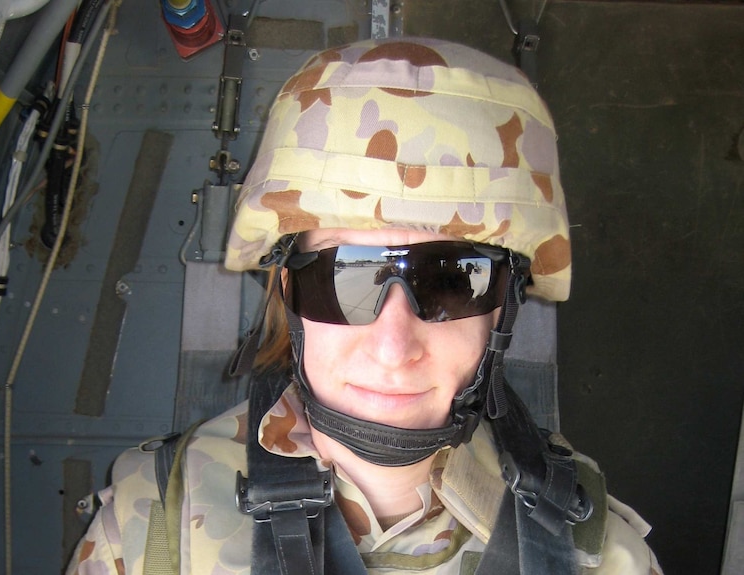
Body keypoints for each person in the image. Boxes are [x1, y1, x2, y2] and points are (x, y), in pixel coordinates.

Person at [67, 37, 662, 574]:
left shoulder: (599, 555)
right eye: (341, 275)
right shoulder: (151, 530)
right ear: (286, 291)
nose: (391, 344)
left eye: (453, 279)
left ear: (503, 308)